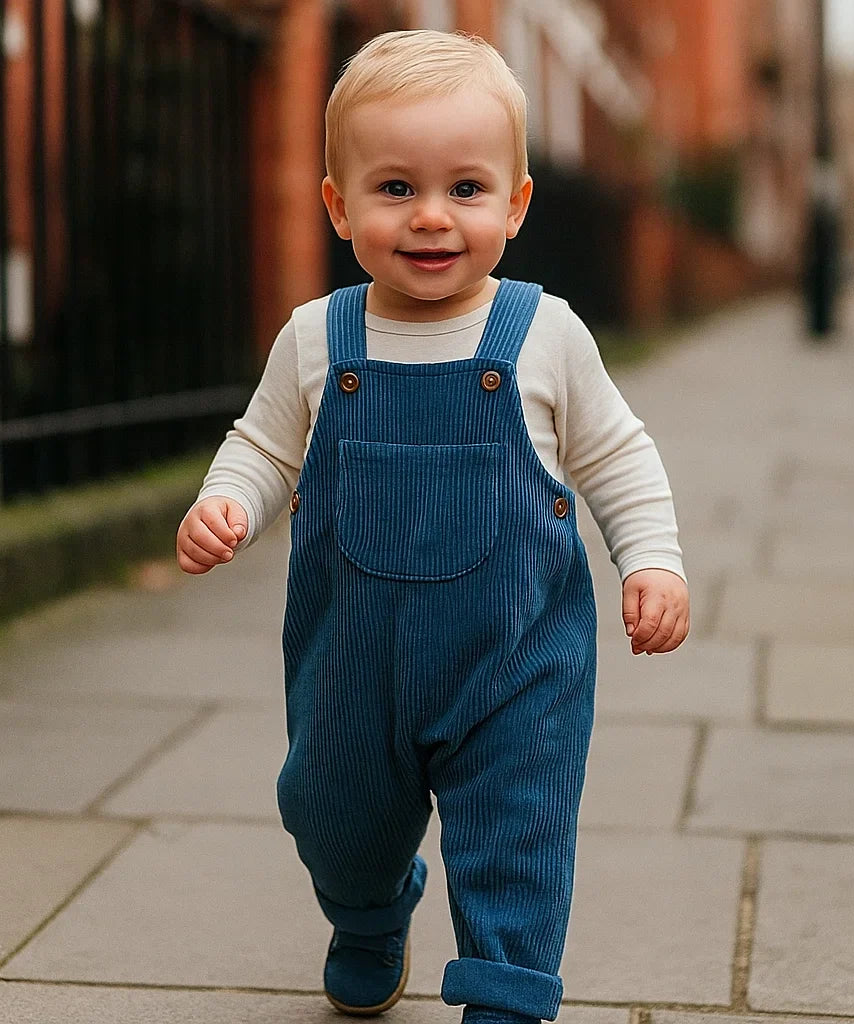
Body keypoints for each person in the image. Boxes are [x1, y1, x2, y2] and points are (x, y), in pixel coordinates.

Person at [176, 29, 689, 1024]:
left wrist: (653, 559)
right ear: (336, 204)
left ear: (516, 203)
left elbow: (617, 456)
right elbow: (265, 447)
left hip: (516, 660)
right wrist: (227, 502)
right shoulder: (319, 339)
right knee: (332, 816)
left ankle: (505, 991)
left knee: (517, 831)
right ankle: (368, 913)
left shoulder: (544, 335)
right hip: (351, 669)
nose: (430, 217)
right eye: (395, 187)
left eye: (465, 188)